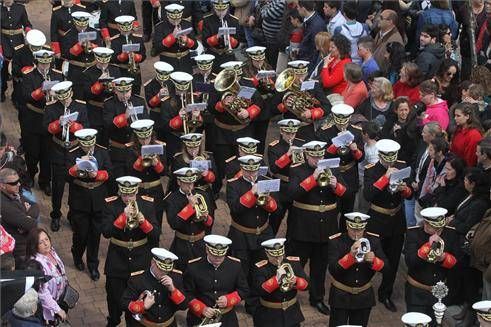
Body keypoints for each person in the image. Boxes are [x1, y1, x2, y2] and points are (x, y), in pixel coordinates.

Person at [287, 140, 347, 315]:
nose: (318, 159)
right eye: (314, 156)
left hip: (326, 226)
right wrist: (312, 179)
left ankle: (317, 298)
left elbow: (347, 193)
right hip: (303, 226)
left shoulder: (333, 168)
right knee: (297, 263)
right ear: (307, 155)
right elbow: (292, 193)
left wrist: (336, 185)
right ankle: (289, 294)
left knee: (320, 266)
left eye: (320, 155)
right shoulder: (297, 169)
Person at [101, 176, 159, 327]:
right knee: (114, 298)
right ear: (120, 191)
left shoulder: (146, 204)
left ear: (137, 191)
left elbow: (155, 234)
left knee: (137, 298)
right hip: (117, 260)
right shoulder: (111, 204)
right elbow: (106, 232)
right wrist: (122, 217)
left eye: (131, 194)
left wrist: (143, 222)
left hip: (140, 260)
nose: (128, 198)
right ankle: (113, 320)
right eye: (125, 194)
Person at [364, 139, 413, 312]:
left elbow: (410, 193)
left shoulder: (402, 165)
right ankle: (362, 285)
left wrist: (404, 189)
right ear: (380, 156)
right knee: (371, 256)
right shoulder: (372, 170)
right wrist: (385, 178)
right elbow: (368, 195)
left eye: (393, 158)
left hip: (396, 220)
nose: (390, 162)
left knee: (392, 259)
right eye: (387, 158)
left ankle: (385, 293)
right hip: (377, 219)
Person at [226, 155, 278, 313]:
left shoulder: (265, 180)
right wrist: (252, 193)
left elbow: (275, 208)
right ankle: (237, 298)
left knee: (259, 268)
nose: (252, 174)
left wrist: (268, 200)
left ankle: (253, 302)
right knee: (242, 269)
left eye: (254, 170)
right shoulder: (234, 184)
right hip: (241, 234)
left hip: (263, 232)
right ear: (242, 169)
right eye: (248, 170)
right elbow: (235, 208)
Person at [66, 128, 111, 280]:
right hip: (80, 199)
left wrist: (98, 175)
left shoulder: (102, 152)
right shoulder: (73, 152)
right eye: (85, 146)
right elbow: (65, 175)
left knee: (95, 234)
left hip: (98, 198)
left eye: (90, 145)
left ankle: (93, 265)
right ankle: (77, 254)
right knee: (81, 233)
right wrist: (76, 168)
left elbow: (110, 171)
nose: (88, 148)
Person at [43, 81, 89, 231]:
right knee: (58, 187)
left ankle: (72, 215)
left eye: (67, 98)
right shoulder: (51, 107)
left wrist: (76, 127)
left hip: (75, 149)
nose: (65, 101)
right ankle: (55, 215)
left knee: (75, 187)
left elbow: (87, 127)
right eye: (62, 98)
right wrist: (58, 124)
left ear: (71, 94)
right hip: (58, 149)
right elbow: (46, 128)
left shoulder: (80, 106)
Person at [327, 212, 386, 326]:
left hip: (364, 297)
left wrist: (374, 261)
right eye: (353, 229)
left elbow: (387, 268)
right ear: (347, 225)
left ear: (364, 228)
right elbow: (333, 270)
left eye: (360, 230)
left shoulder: (373, 241)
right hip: (341, 296)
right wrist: (350, 257)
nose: (356, 233)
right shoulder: (336, 241)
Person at [448, 168, 490, 324]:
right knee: (466, 282)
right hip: (459, 246)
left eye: (466, 180)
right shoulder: (470, 196)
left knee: (472, 284)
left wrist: (452, 221)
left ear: (473, 184)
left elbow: (467, 225)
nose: (464, 182)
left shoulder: (480, 204)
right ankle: (466, 307)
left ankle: (471, 315)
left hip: (468, 250)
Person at [405, 207, 459, 322]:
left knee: (435, 323)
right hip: (417, 291)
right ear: (425, 223)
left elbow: (457, 262)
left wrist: (443, 258)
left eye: (440, 228)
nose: (438, 231)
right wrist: (426, 248)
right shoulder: (413, 233)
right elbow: (410, 262)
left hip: (439, 292)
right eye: (435, 228)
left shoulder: (451, 233)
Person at [184, 234, 249, 326]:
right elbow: (186, 293)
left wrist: (229, 300)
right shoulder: (193, 267)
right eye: (214, 255)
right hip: (200, 318)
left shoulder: (235, 266)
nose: (218, 258)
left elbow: (244, 290)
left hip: (226, 317)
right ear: (207, 250)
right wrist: (201, 309)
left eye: (221, 255)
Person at [22, 49, 63, 196]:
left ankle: (45, 181)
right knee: (32, 151)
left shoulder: (58, 75)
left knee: (48, 153)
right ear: (37, 62)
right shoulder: (29, 76)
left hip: (50, 118)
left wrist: (56, 95)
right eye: (42, 63)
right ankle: (30, 174)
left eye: (48, 63)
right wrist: (41, 90)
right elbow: (25, 96)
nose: (45, 66)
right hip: (34, 118)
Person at [316, 104, 364, 224]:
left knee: (348, 210)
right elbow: (321, 156)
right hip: (332, 172)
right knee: (331, 208)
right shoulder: (325, 131)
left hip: (350, 173)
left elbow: (361, 158)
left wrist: (355, 149)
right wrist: (334, 145)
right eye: (339, 121)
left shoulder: (357, 132)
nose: (342, 125)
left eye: (344, 122)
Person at [103, 77, 148, 193]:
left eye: (127, 91)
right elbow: (108, 126)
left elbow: (147, 122)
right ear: (115, 91)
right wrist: (124, 117)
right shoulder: (109, 104)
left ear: (131, 89)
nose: (125, 95)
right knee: (116, 183)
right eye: (121, 92)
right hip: (119, 151)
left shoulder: (139, 101)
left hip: (135, 150)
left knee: (136, 182)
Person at [121, 248, 188, 327]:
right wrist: (143, 306)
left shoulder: (176, 277)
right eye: (160, 269)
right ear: (153, 262)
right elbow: (124, 303)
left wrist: (173, 289)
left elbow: (184, 306)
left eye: (167, 270)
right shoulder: (137, 279)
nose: (164, 273)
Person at [165, 165, 215, 269]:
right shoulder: (172, 199)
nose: (190, 186)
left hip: (200, 243)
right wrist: (190, 207)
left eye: (191, 182)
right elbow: (174, 224)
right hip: (182, 244)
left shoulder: (203, 195)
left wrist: (206, 218)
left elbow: (210, 223)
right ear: (179, 182)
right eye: (186, 183)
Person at [252, 238, 309, 326]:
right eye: (274, 256)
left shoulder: (293, 263)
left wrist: (296, 281)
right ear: (267, 254)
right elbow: (259, 290)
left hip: (291, 313)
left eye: (280, 255)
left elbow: (307, 285)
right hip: (269, 315)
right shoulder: (260, 268)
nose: (278, 259)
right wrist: (276, 280)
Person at [274, 60, 330, 141]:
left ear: (306, 74)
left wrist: (312, 113)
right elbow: (273, 108)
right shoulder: (284, 88)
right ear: (291, 75)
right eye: (297, 75)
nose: (300, 78)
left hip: (308, 127)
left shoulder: (314, 86)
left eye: (302, 74)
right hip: (289, 126)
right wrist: (284, 106)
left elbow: (327, 107)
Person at [267, 119, 304, 234]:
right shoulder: (274, 147)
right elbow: (274, 168)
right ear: (282, 132)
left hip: (296, 185)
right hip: (280, 186)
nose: (291, 136)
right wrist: (287, 155)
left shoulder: (301, 144)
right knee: (276, 218)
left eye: (293, 133)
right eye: (288, 133)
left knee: (295, 221)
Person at [128, 120, 167, 228]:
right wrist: (140, 159)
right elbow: (129, 172)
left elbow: (165, 172)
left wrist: (157, 164)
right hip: (139, 191)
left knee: (156, 222)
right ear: (136, 137)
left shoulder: (160, 147)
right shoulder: (130, 149)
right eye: (141, 138)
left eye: (147, 138)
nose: (145, 141)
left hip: (156, 190)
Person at [25, 228, 69, 324]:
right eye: (41, 242)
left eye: (46, 239)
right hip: (49, 307)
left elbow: (60, 271)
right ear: (34, 246)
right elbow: (43, 293)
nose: (46, 244)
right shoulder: (35, 265)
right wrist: (57, 309)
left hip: (59, 299)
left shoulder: (51, 251)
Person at [82, 46, 121, 147]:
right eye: (101, 61)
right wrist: (99, 84)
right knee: (97, 141)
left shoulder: (115, 69)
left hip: (112, 110)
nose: (104, 64)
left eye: (106, 61)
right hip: (95, 110)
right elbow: (86, 94)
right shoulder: (88, 73)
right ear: (96, 58)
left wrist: (116, 88)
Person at [0, 168, 39, 268]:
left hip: (26, 242)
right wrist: (27, 217)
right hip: (19, 250)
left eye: (18, 181)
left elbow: (35, 205)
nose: (18, 184)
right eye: (14, 183)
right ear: (2, 185)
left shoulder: (13, 193)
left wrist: (27, 215)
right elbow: (31, 224)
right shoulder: (3, 205)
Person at [61, 11, 102, 97]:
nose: (83, 27)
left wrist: (92, 46)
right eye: (80, 25)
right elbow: (65, 55)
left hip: (92, 70)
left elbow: (101, 49)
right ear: (75, 22)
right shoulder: (68, 35)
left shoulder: (94, 32)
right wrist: (79, 46)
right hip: (76, 70)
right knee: (78, 96)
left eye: (84, 25)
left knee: (93, 96)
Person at [0, 0, 32, 102]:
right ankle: (2, 91)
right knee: (4, 70)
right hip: (4, 42)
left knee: (17, 70)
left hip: (18, 43)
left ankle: (17, 96)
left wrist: (29, 31)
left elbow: (26, 23)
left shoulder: (20, 8)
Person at [152, 5, 197, 74]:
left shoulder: (187, 24)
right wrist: (172, 37)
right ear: (168, 15)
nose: (176, 21)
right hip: (168, 61)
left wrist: (187, 41)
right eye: (173, 19)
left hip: (185, 61)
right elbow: (156, 48)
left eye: (178, 18)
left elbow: (195, 46)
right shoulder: (160, 27)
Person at [200, 0, 243, 71]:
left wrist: (230, 40)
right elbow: (204, 42)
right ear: (214, 8)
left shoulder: (234, 20)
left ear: (227, 8)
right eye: (218, 10)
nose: (221, 12)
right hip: (212, 55)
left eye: (223, 10)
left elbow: (238, 42)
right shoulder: (207, 20)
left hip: (228, 55)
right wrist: (216, 38)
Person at [110, 15, 147, 95]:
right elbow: (111, 59)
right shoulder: (114, 41)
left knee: (135, 94)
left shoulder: (138, 39)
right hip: (121, 72)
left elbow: (144, 55)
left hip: (135, 73)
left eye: (128, 28)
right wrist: (121, 57)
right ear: (119, 28)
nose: (126, 31)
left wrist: (137, 57)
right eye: (123, 28)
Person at [144, 61, 174, 148]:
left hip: (169, 116)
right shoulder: (149, 85)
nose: (163, 78)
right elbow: (150, 104)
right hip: (156, 116)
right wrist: (158, 96)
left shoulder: (172, 84)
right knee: (157, 142)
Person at [381, 97, 419, 164]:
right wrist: (393, 133)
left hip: (405, 159)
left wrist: (401, 133)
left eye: (406, 110)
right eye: (401, 110)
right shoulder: (390, 123)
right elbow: (384, 138)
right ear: (396, 110)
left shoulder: (412, 125)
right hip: (390, 156)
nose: (404, 113)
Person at [334, 1, 369, 65]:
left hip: (346, 63)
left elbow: (336, 48)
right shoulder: (365, 27)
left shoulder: (339, 30)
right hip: (362, 62)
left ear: (344, 14)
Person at [296, 1, 325, 72]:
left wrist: (310, 72)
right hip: (305, 61)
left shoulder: (316, 26)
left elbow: (316, 51)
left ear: (303, 9)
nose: (297, 9)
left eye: (298, 7)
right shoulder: (308, 21)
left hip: (309, 65)